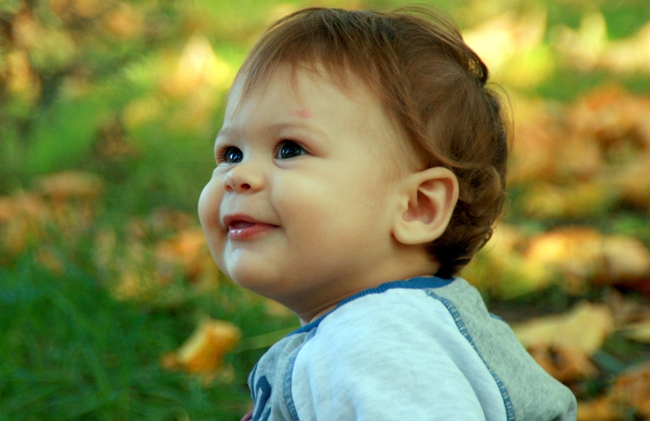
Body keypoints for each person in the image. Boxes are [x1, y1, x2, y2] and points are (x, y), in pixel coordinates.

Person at [198, 6, 577, 421]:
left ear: (417, 207)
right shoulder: (397, 327)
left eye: (289, 149)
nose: (239, 176)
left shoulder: (376, 342)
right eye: (231, 153)